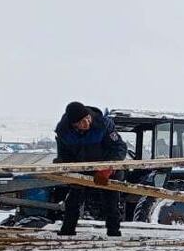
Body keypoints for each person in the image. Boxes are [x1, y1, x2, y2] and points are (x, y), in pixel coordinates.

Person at [54, 101, 128, 236]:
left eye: (87, 119)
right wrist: (63, 164)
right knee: (72, 201)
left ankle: (114, 234)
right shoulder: (64, 131)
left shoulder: (103, 125)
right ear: (73, 124)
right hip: (81, 168)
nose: (87, 123)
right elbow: (64, 154)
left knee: (111, 202)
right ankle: (67, 233)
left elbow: (120, 148)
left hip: (107, 168)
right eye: (82, 122)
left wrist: (107, 169)